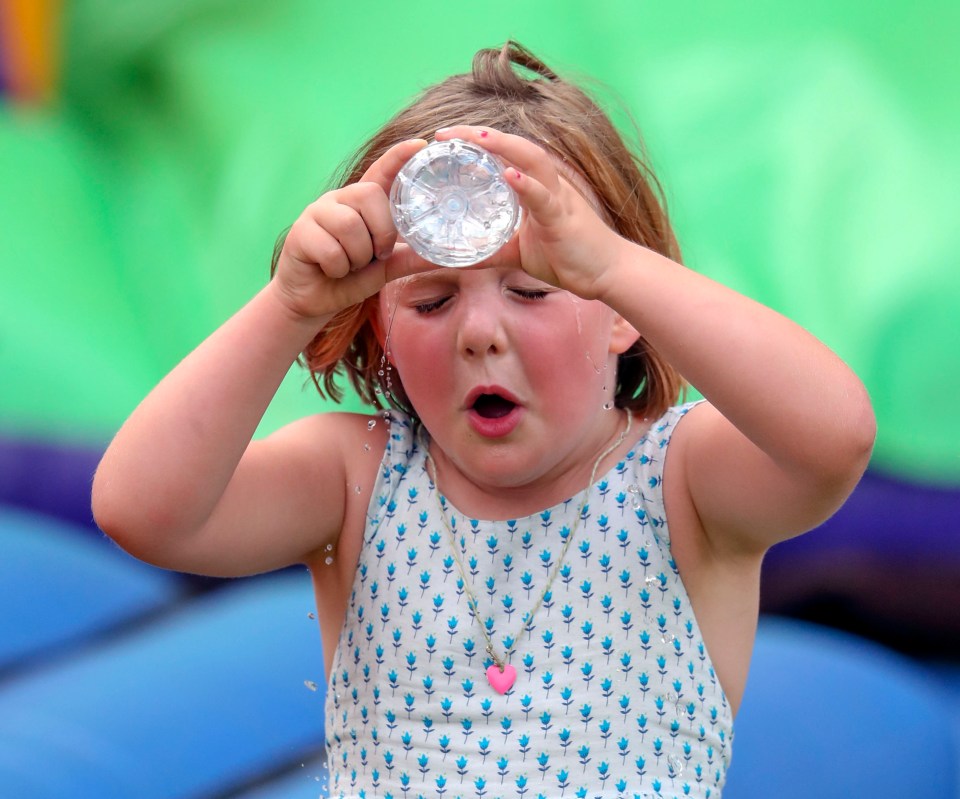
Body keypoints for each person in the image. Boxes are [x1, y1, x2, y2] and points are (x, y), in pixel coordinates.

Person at [92, 41, 875, 799]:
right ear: (379, 331)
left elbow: (834, 436)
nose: (479, 332)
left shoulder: (684, 484)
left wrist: (613, 265)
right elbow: (143, 512)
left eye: (532, 290)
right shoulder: (356, 480)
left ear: (621, 315)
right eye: (432, 301)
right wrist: (289, 306)